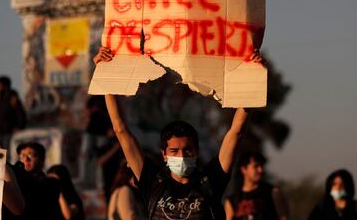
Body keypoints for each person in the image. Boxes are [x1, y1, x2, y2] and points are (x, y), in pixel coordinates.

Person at [93, 47, 262, 219]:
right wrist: (105, 73)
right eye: (174, 151)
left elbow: (236, 132)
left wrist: (251, 78)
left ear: (196, 151)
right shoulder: (153, 182)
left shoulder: (210, 181)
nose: (181, 156)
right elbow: (120, 129)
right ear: (164, 155)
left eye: (187, 150)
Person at [224, 152, 289, 220]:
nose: (260, 170)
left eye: (261, 166)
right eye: (256, 166)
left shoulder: (274, 192)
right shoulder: (232, 200)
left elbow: (284, 217)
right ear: (244, 169)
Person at [16, 142, 63, 220]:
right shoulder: (17, 180)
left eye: (30, 155)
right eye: (22, 156)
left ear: (42, 159)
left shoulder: (51, 182)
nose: (26, 159)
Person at [0, 75, 26, 151]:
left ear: (5, 86)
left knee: (7, 156)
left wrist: (19, 127)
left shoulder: (13, 99)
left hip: (9, 134)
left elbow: (21, 115)